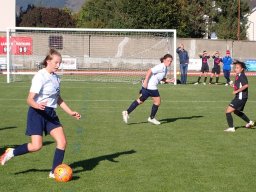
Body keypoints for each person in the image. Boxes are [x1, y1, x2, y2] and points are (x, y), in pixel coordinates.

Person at [0, 49, 81, 178]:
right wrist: (37, 105)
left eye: (59, 63)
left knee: (62, 142)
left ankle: (54, 172)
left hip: (50, 114)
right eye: (56, 62)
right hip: (37, 113)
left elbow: (58, 98)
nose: (58, 65)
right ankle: (11, 152)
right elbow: (29, 99)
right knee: (36, 146)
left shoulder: (56, 77)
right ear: (48, 61)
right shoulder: (40, 76)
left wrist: (70, 112)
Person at [122, 54, 175, 125]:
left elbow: (160, 78)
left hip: (147, 87)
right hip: (151, 87)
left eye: (171, 61)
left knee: (140, 100)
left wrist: (169, 80)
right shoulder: (161, 66)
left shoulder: (165, 68)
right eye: (168, 61)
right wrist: (146, 81)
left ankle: (127, 112)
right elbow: (150, 71)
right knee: (157, 102)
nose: (170, 62)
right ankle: (151, 118)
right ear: (164, 60)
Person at [224, 61, 254, 132]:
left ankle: (231, 128)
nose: (235, 69)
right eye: (235, 68)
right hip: (240, 97)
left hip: (241, 97)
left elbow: (246, 85)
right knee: (236, 112)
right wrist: (233, 86)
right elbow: (238, 86)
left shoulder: (242, 76)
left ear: (242, 69)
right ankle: (250, 122)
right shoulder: (238, 76)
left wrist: (237, 91)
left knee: (228, 111)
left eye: (237, 68)